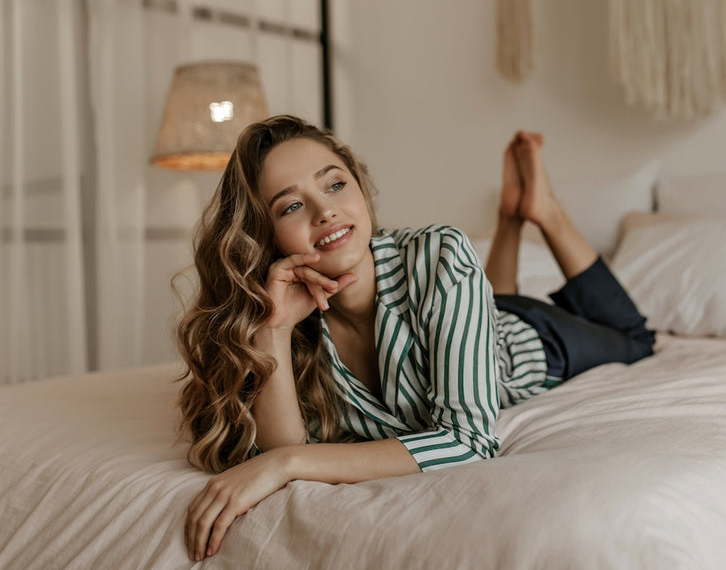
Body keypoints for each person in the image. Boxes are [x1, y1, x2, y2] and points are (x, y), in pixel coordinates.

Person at [178, 114, 656, 561]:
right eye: (292, 206)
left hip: (532, 340)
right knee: (491, 302)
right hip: (470, 312)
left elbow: (468, 442)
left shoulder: (440, 252)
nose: (325, 211)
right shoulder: (288, 320)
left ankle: (543, 211)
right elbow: (281, 443)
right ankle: (510, 220)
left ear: (360, 189)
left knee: (636, 339)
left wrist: (288, 466)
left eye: (335, 184)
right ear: (266, 238)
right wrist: (276, 328)